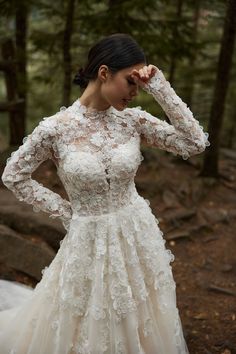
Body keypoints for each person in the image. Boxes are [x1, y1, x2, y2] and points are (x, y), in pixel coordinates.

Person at [0, 33, 210, 354]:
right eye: (131, 81)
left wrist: (160, 88)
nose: (135, 93)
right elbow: (14, 175)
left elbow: (194, 143)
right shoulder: (56, 129)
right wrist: (65, 211)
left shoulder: (133, 121)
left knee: (141, 312)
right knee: (90, 317)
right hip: (88, 238)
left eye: (139, 86)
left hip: (137, 233)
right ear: (103, 73)